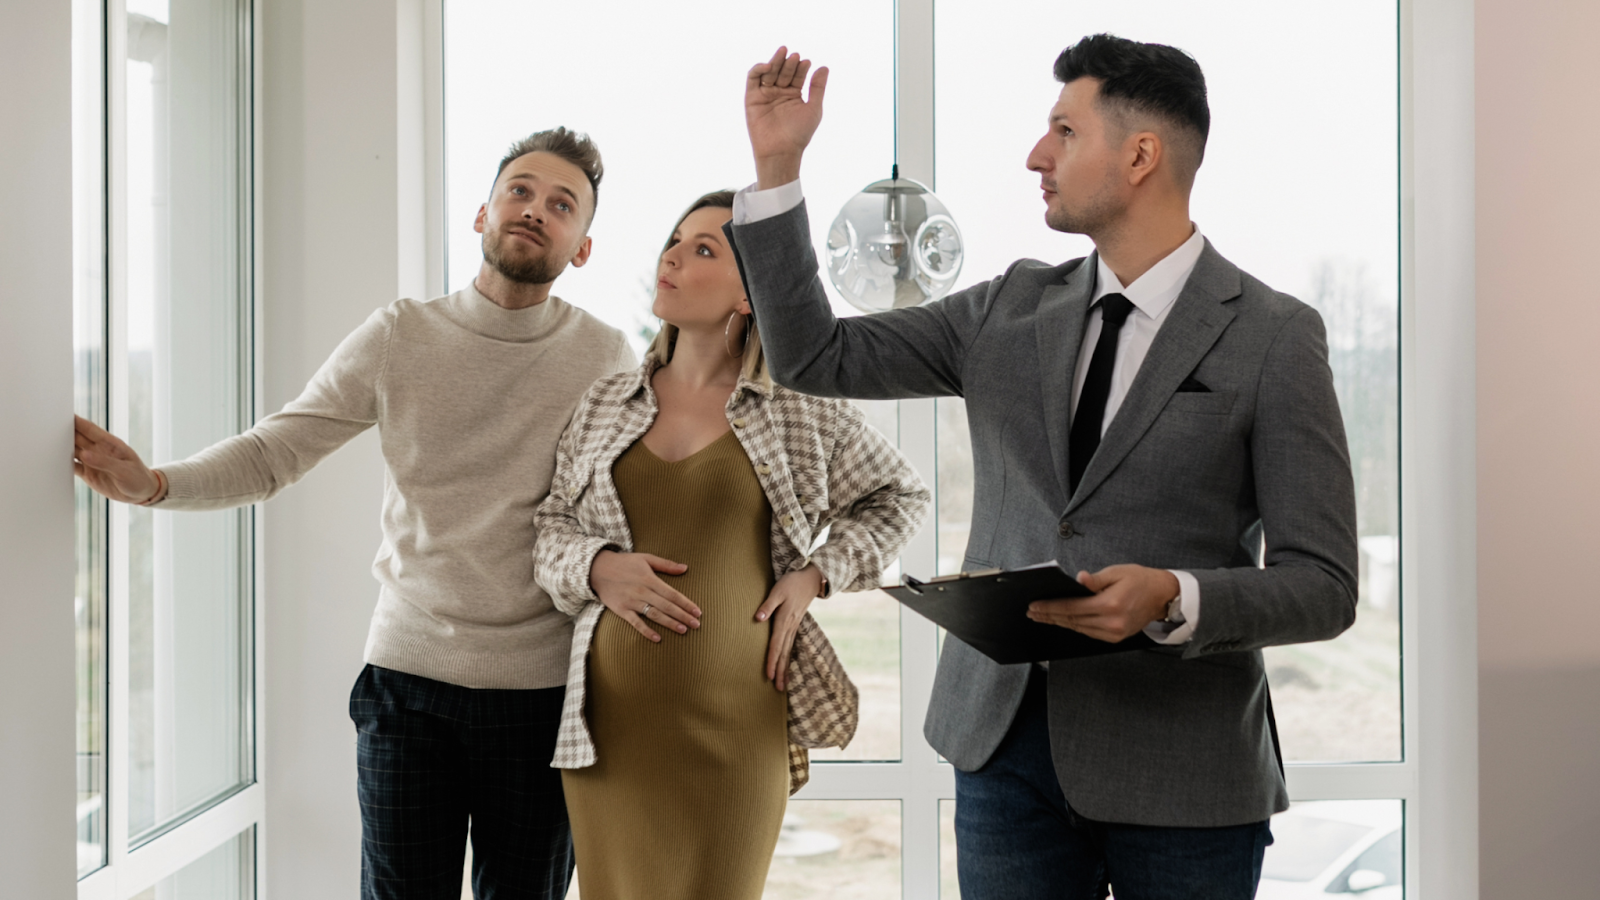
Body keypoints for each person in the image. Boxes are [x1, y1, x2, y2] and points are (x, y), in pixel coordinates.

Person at [732, 37, 1359, 899]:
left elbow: (1323, 583)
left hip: (1186, 773)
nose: (1037, 154)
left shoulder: (1274, 337)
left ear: (1140, 155)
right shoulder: (1007, 306)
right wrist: (776, 170)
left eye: (1063, 131)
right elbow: (814, 356)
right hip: (1003, 756)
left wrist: (1178, 594)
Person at [71, 127, 635, 900]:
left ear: (583, 248)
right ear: (482, 214)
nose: (536, 210)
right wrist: (156, 485)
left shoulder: (605, 358)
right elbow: (277, 450)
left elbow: (634, 502)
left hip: (541, 695)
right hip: (408, 680)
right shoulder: (402, 334)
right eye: (521, 191)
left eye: (562, 205)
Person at [530, 189, 931, 900]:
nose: (674, 255)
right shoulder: (603, 402)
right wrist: (597, 569)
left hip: (739, 730)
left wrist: (816, 577)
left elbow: (902, 497)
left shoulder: (800, 410)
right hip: (609, 734)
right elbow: (551, 528)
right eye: (675, 240)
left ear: (750, 295)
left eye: (704, 249)